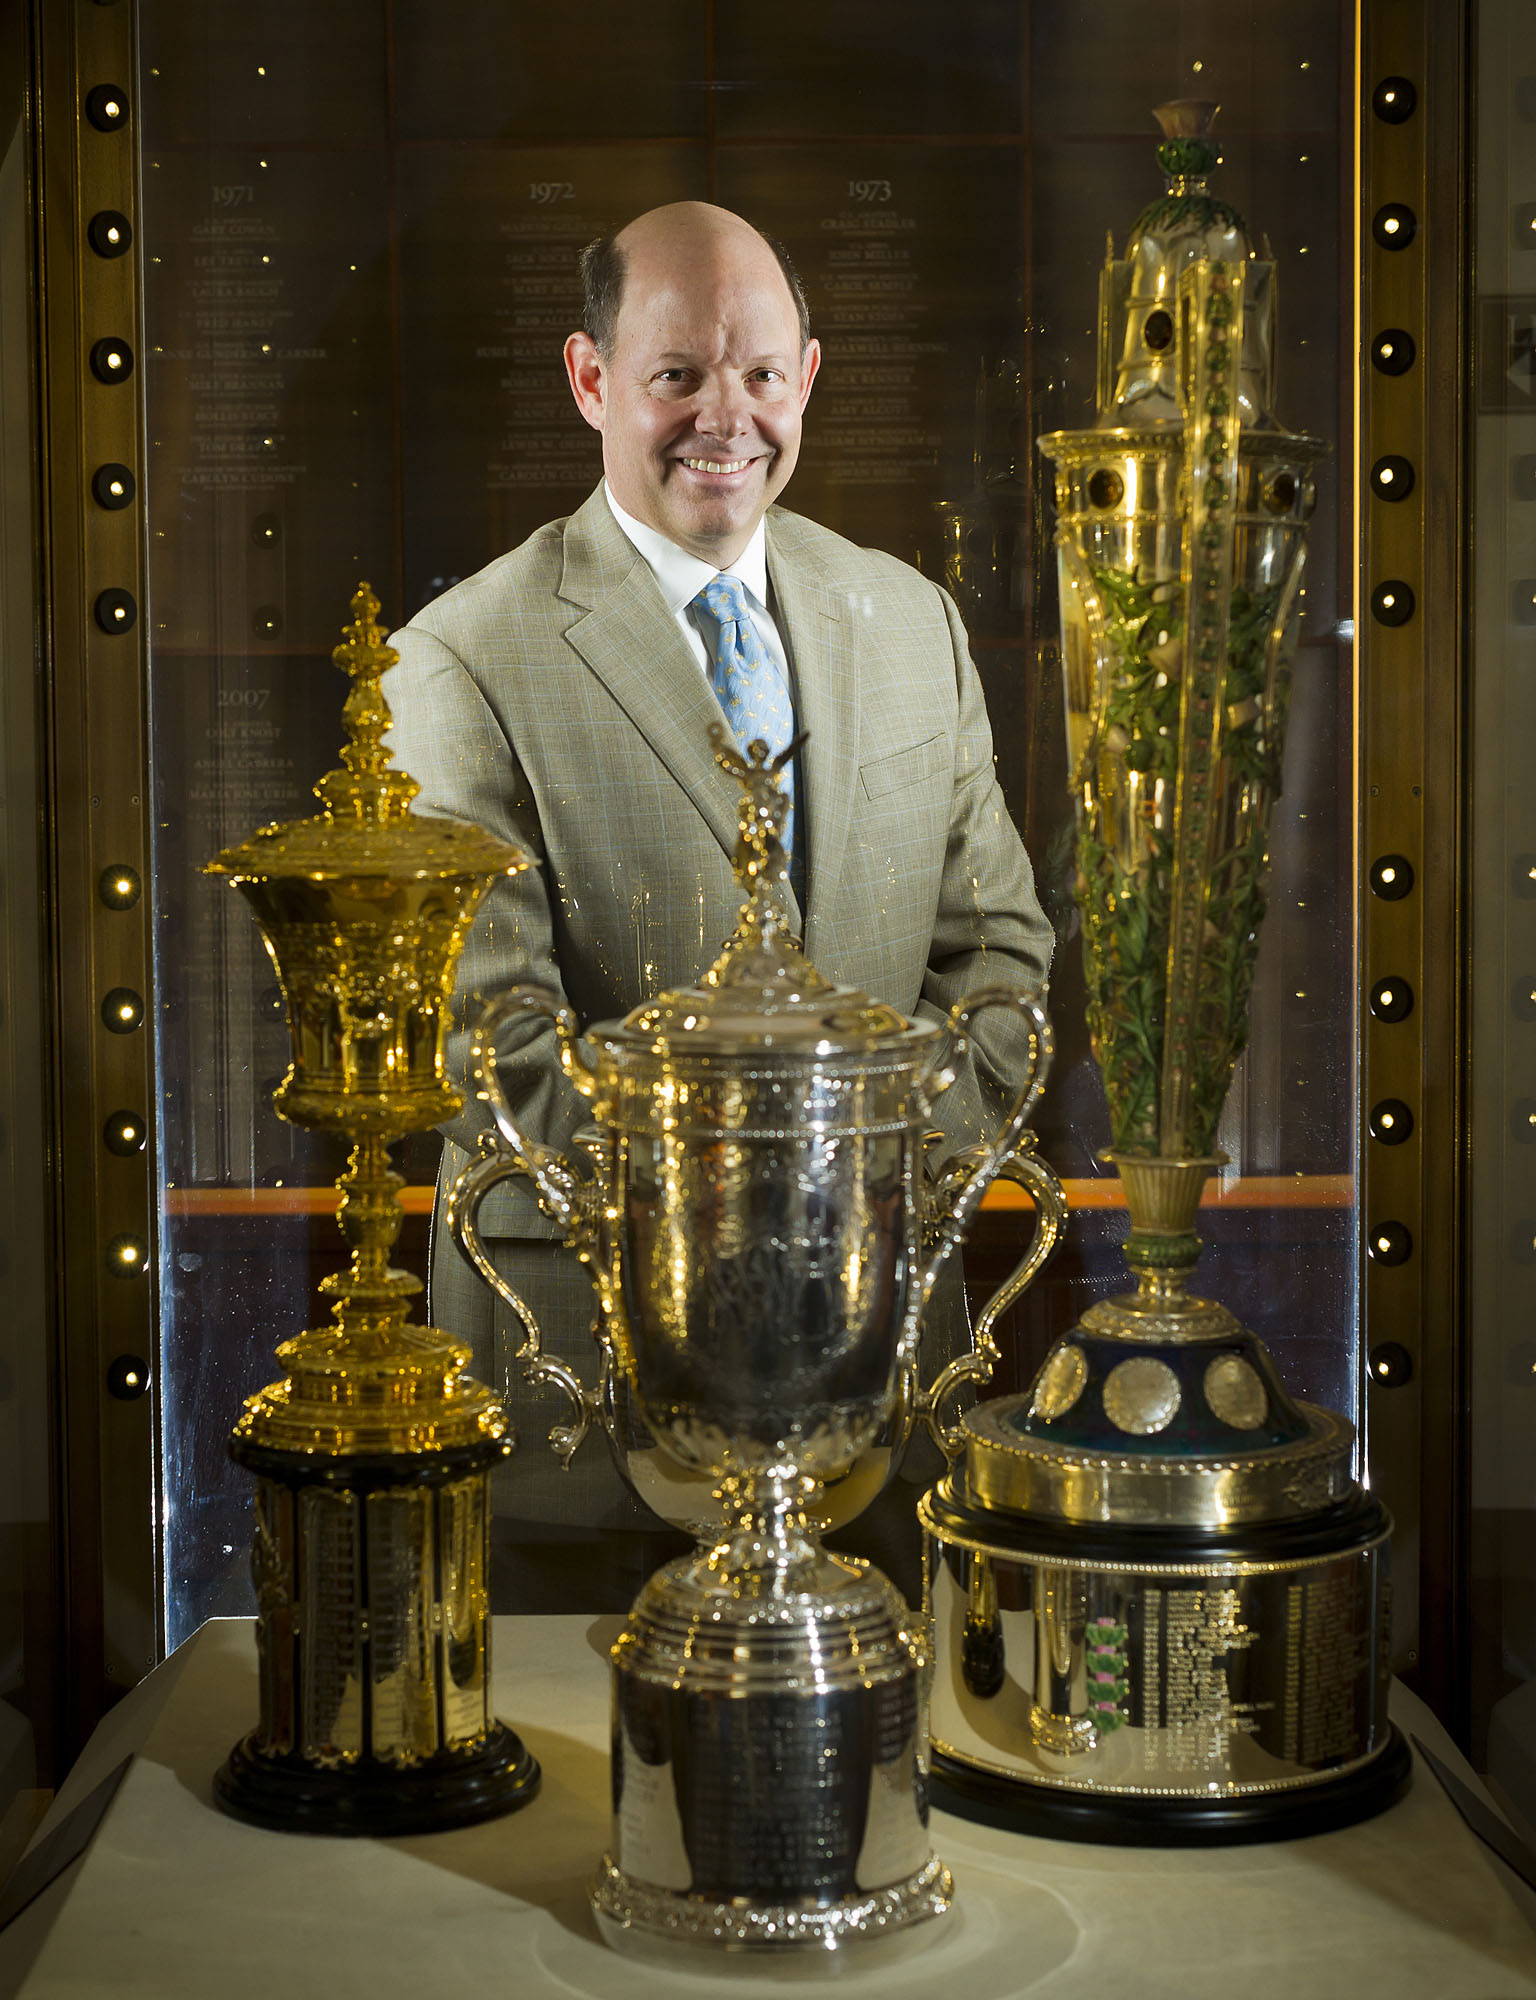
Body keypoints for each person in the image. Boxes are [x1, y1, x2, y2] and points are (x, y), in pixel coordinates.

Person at [385, 201, 1052, 1610]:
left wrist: (857, 1214)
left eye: (758, 373)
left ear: (808, 375)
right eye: (677, 373)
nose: (724, 417)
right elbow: (487, 1049)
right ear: (590, 381)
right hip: (590, 1406)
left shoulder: (907, 620)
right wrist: (763, 1232)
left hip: (887, 1397)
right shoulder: (457, 661)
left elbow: (998, 963)